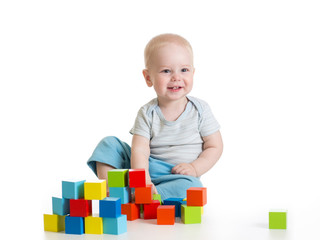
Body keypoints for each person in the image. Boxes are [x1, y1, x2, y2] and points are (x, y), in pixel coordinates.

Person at [87, 33, 223, 200]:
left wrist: (195, 168)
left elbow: (214, 146)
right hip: (142, 168)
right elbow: (140, 150)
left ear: (193, 73)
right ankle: (111, 188)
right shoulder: (147, 112)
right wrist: (143, 180)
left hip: (176, 175)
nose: (176, 77)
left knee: (193, 187)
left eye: (184, 70)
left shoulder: (200, 110)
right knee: (108, 144)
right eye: (166, 71)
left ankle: (149, 197)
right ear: (148, 77)